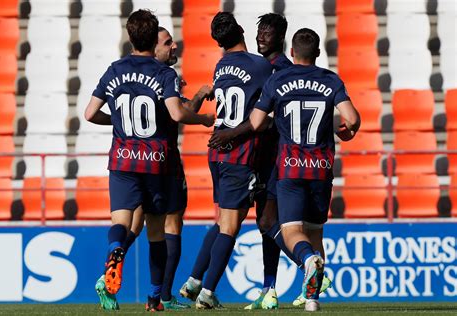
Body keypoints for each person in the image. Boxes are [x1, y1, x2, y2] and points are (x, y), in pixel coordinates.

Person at [85, 9, 214, 312]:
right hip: (156, 161)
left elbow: (89, 113)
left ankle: (116, 250)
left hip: (122, 160)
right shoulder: (163, 74)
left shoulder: (115, 69)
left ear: (129, 36)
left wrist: (117, 122)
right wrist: (205, 118)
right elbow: (178, 114)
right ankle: (156, 298)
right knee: (157, 232)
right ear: (153, 39)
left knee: (121, 222)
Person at [208, 14, 332, 309]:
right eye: (260, 31)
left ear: (283, 40)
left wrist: (229, 133)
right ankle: (271, 288)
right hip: (265, 160)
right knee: (268, 223)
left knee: (271, 222)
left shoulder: (281, 72)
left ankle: (306, 272)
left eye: (269, 32)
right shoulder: (260, 67)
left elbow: (262, 120)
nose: (262, 36)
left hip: (280, 160)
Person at [248, 28, 360, 312]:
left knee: (292, 232)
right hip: (321, 168)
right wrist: (347, 132)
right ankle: (312, 298)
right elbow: (352, 118)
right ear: (318, 54)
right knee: (315, 233)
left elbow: (257, 121)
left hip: (291, 168)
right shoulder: (331, 80)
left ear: (292, 53)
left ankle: (307, 261)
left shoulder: (278, 79)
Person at [179, 12, 273, 309]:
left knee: (221, 221)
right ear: (242, 30)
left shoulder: (221, 66)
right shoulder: (260, 65)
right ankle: (207, 292)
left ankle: (194, 280)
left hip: (216, 151)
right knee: (230, 226)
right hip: (238, 152)